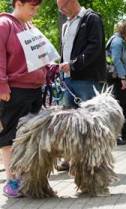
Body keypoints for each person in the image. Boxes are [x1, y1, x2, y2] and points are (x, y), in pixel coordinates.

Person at [0, 0, 46, 197]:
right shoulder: (4, 25)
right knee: (11, 136)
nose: (35, 12)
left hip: (34, 90)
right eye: (32, 8)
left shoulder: (28, 26)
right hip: (14, 91)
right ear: (18, 3)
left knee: (31, 138)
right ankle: (12, 181)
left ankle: (26, 179)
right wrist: (2, 85)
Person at [56, 0, 107, 170]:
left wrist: (73, 64)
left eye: (63, 7)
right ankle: (70, 157)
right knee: (67, 121)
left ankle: (94, 160)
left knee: (90, 122)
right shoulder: (66, 24)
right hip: (68, 80)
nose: (61, 11)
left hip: (87, 79)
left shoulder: (91, 19)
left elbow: (95, 47)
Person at [106, 20, 126, 145]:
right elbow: (116, 60)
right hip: (117, 78)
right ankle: (118, 136)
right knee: (121, 106)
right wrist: (122, 77)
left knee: (124, 105)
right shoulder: (117, 42)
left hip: (117, 77)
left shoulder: (117, 41)